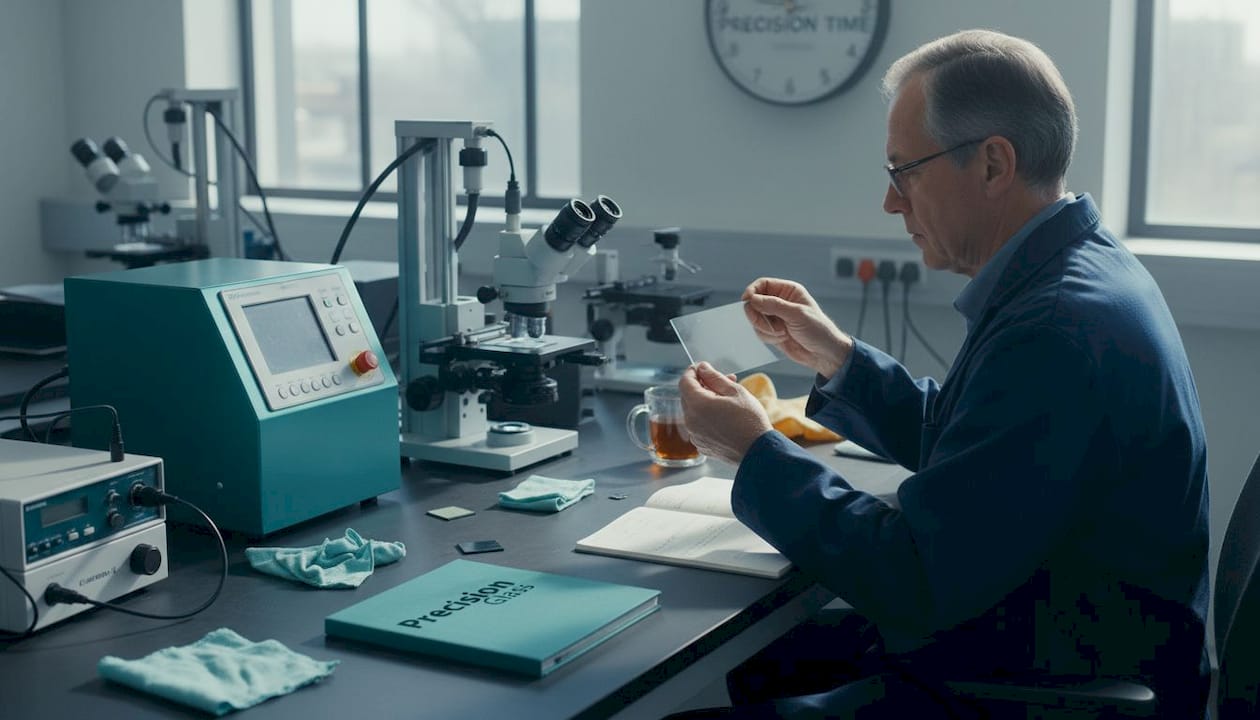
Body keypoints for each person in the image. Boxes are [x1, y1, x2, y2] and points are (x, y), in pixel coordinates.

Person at [674, 29, 1210, 719]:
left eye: (905, 171)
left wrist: (752, 452)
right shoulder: (1083, 269)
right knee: (765, 665)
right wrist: (837, 356)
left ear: (992, 165)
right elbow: (987, 452)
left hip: (1041, 685)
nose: (892, 203)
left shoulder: (1052, 329)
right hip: (1052, 635)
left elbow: (914, 578)